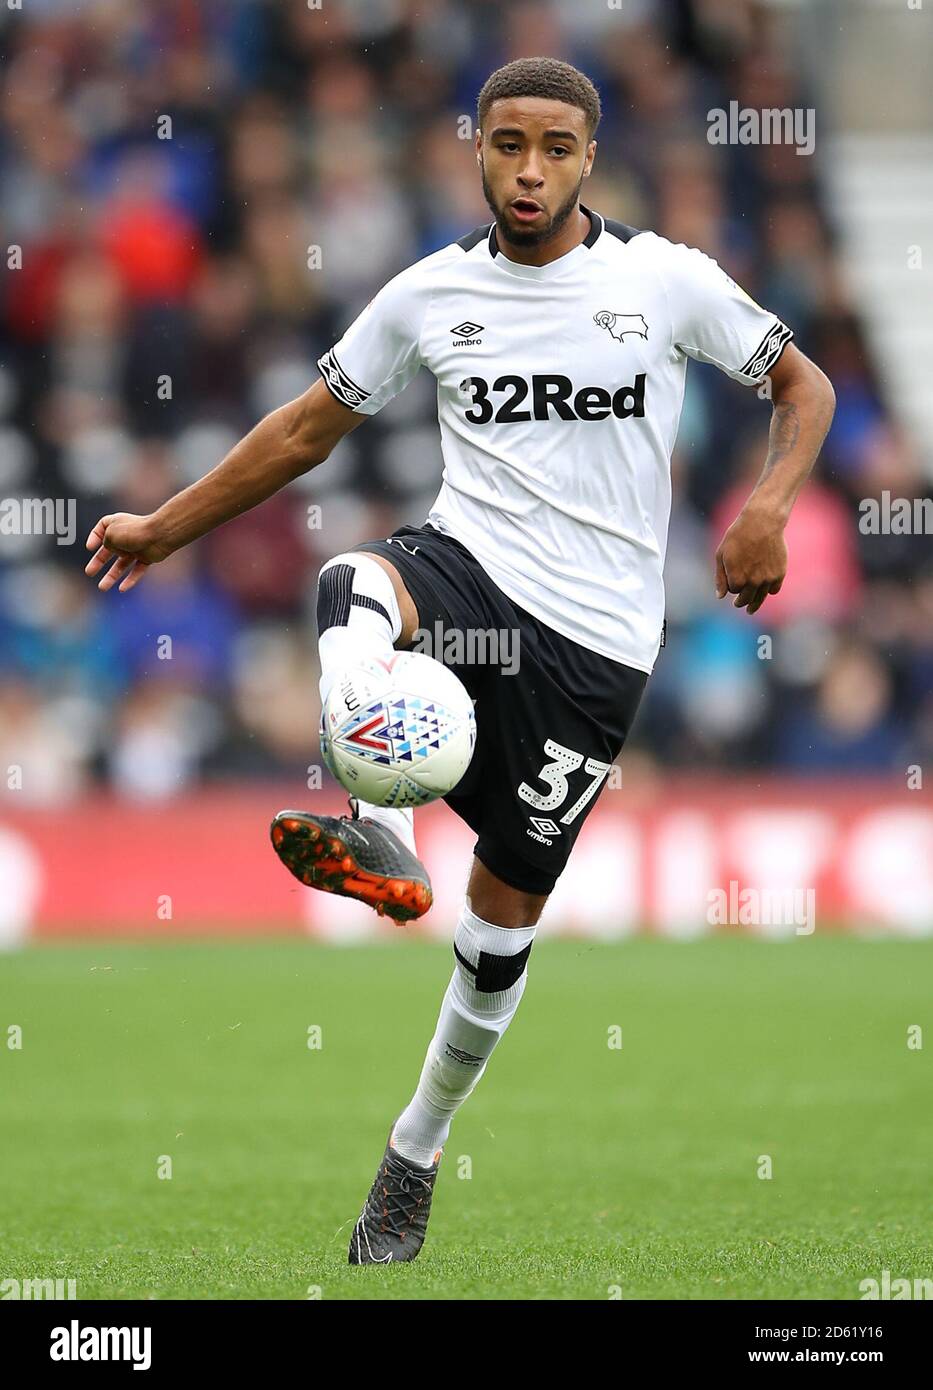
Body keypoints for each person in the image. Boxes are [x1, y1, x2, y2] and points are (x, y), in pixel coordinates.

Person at [84, 57, 836, 1265]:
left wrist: (767, 508)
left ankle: (413, 1152)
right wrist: (164, 527)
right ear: (472, 149)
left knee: (500, 929)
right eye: (504, 145)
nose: (527, 169)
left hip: (596, 647)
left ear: (590, 157)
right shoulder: (430, 295)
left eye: (552, 147)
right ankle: (375, 812)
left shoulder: (665, 282)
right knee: (353, 584)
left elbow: (802, 385)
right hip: (471, 568)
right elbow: (305, 428)